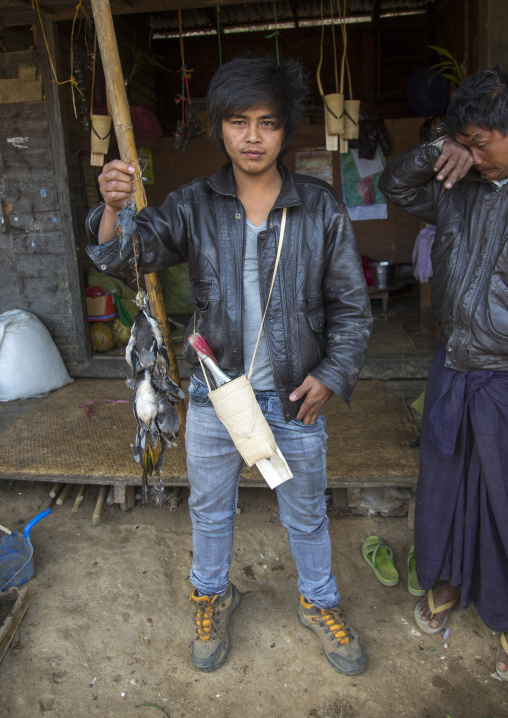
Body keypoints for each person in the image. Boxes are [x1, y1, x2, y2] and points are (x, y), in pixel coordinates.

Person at [86, 56, 372, 675]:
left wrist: (333, 374)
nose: (252, 137)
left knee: (306, 511)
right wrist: (112, 205)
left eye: (267, 124)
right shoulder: (195, 203)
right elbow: (127, 254)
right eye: (238, 122)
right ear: (219, 127)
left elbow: (352, 308)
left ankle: (317, 602)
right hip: (219, 392)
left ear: (285, 130)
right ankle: (213, 595)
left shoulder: (320, 208)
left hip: (296, 395)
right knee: (210, 508)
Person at [379, 65, 508, 681]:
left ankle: (505, 611)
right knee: (446, 487)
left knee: (503, 500)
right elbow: (395, 188)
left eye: (484, 144)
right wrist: (442, 147)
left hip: (505, 378)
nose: (475, 157)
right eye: (469, 144)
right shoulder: (460, 184)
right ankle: (450, 582)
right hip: (453, 366)